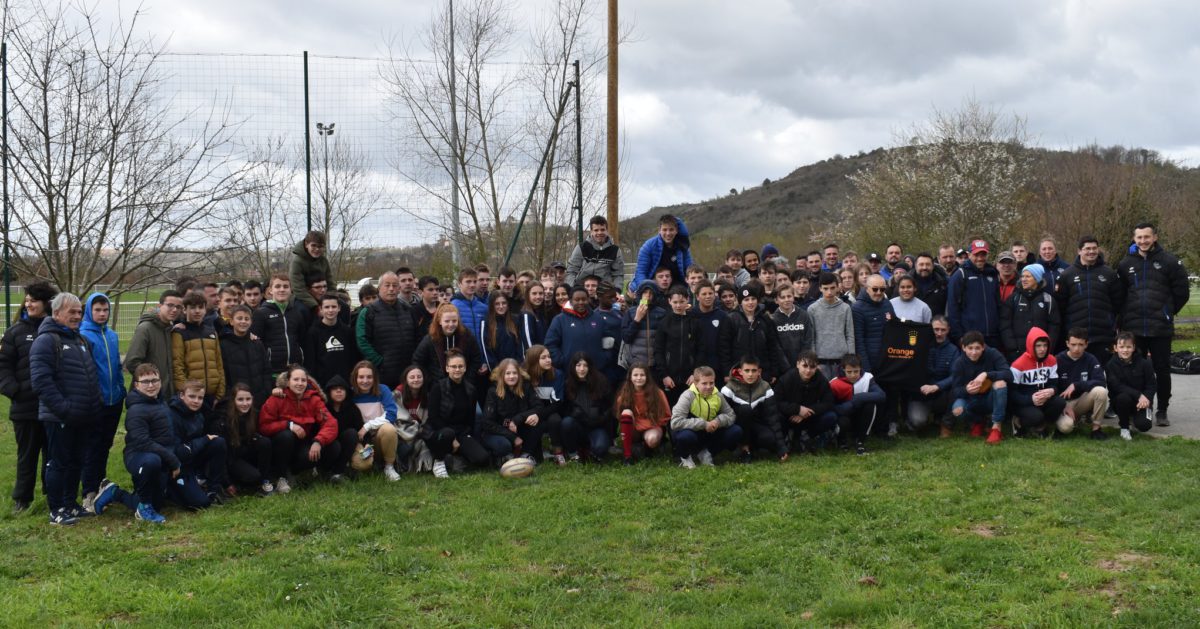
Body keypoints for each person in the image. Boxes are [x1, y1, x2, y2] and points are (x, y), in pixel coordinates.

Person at [89, 364, 204, 524]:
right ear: (136, 385)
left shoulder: (161, 403)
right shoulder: (136, 410)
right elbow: (143, 442)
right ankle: (136, 504)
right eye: (145, 381)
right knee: (152, 461)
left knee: (161, 504)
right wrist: (172, 460)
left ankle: (116, 492)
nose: (151, 385)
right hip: (140, 457)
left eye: (154, 380)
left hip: (162, 458)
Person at [29, 292, 103, 524]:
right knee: (58, 462)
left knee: (76, 462)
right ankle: (56, 509)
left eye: (79, 312)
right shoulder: (46, 341)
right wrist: (65, 409)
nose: (77, 316)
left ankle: (70, 505)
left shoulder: (79, 340)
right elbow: (41, 382)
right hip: (61, 416)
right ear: (57, 312)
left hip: (84, 416)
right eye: (72, 312)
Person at [1116, 222, 1190, 426]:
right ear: (1134, 238)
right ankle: (1138, 406)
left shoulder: (1170, 262)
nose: (1143, 241)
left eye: (1146, 237)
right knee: (1134, 369)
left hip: (1160, 327)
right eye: (1139, 237)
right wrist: (1124, 319)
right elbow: (1119, 296)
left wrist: (1167, 312)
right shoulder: (1125, 264)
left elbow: (1182, 291)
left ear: (1155, 237)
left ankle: (1162, 409)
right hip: (1134, 328)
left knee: (1162, 369)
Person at [1, 281, 58, 514]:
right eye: (26, 300)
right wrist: (15, 391)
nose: (28, 304)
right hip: (25, 408)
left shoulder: (56, 329)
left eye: (33, 300)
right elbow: (3, 367)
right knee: (27, 455)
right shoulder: (14, 332)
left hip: (52, 407)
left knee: (52, 454)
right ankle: (22, 499)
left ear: (46, 303)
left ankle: (51, 492)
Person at [259, 365, 350, 492]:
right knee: (286, 436)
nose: (300, 383)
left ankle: (302, 472)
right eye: (296, 380)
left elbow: (330, 422)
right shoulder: (276, 399)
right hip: (282, 445)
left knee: (334, 446)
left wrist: (318, 441)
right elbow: (264, 426)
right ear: (288, 381)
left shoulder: (314, 399)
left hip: (304, 444)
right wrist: (288, 425)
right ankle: (281, 477)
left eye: (303, 380)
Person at [79, 293, 127, 513]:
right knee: (92, 446)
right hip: (95, 402)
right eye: (97, 310)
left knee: (105, 445)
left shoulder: (113, 335)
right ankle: (88, 492)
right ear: (89, 310)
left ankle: (100, 484)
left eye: (105, 310)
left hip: (114, 400)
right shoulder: (82, 335)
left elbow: (116, 366)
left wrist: (120, 389)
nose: (102, 314)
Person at [1057, 236, 1123, 369]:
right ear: (1079, 251)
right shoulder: (1067, 275)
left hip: (1102, 335)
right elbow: (1061, 306)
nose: (1091, 252)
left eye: (1094, 248)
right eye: (1087, 248)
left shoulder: (1109, 273)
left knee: (1102, 376)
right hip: (1077, 338)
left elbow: (1118, 302)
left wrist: (1110, 323)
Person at [425, 349, 490, 477]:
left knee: (483, 459)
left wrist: (468, 438)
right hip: (438, 432)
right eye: (453, 366)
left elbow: (470, 419)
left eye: (460, 366)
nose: (457, 369)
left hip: (461, 432)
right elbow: (433, 417)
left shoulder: (471, 389)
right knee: (447, 434)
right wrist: (453, 438)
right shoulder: (438, 387)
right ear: (447, 368)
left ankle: (454, 459)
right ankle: (438, 462)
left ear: (465, 368)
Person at [545, 286, 618, 396]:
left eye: (584, 299)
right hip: (570, 376)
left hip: (595, 373)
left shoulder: (598, 318)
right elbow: (550, 344)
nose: (581, 302)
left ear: (588, 299)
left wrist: (604, 358)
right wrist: (562, 361)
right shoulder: (559, 320)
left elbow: (609, 341)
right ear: (570, 301)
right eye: (577, 300)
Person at [168, 379, 232, 502]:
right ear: (181, 395)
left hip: (192, 458)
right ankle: (169, 488)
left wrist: (206, 440)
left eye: (200, 398)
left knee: (219, 442)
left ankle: (213, 488)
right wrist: (205, 439)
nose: (196, 401)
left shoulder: (198, 414)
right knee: (199, 502)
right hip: (177, 465)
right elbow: (178, 452)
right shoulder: (171, 416)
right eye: (192, 396)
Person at [670, 365, 742, 468]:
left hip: (710, 432)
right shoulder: (687, 396)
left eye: (711, 383)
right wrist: (703, 424)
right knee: (685, 437)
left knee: (736, 431)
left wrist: (718, 421)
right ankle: (685, 457)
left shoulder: (718, 395)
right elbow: (675, 422)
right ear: (695, 383)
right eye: (704, 383)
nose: (708, 387)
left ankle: (707, 454)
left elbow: (731, 415)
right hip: (693, 433)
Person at [356, 271, 418, 389]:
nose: (391, 289)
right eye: (387, 285)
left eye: (394, 285)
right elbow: (362, 341)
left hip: (407, 372)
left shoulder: (408, 309)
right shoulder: (369, 312)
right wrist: (379, 362)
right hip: (382, 374)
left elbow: (416, 337)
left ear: (399, 288)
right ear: (379, 288)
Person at [948, 331, 1012, 444]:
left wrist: (986, 374)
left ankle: (996, 427)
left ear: (983, 347)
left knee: (1000, 383)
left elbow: (1009, 374)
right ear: (963, 348)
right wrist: (966, 390)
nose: (974, 352)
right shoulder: (959, 363)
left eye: (977, 348)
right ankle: (977, 422)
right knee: (957, 410)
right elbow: (955, 390)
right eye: (970, 348)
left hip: (990, 398)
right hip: (970, 399)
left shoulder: (992, 354)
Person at [721, 356, 786, 462]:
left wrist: (781, 447)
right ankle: (743, 448)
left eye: (753, 371)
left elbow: (773, 417)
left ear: (759, 371)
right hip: (736, 426)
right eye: (747, 370)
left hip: (755, 424)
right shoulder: (728, 388)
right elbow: (722, 415)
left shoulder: (765, 387)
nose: (750, 374)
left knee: (769, 438)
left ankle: (753, 448)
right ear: (740, 371)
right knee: (745, 410)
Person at [481, 358, 546, 464]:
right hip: (498, 431)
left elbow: (539, 406)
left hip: (519, 427)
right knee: (504, 445)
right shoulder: (493, 391)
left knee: (537, 421)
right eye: (508, 373)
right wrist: (512, 437)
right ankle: (502, 457)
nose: (511, 376)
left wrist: (518, 419)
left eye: (514, 373)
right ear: (502, 375)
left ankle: (526, 455)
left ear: (519, 374)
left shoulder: (526, 386)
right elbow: (487, 422)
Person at [349, 361, 406, 481]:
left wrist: (367, 426)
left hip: (378, 436)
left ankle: (389, 467)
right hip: (360, 441)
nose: (365, 381)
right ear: (355, 378)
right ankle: (370, 464)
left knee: (389, 428)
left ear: (374, 378)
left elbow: (391, 414)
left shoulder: (382, 389)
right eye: (361, 377)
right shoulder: (349, 394)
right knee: (363, 464)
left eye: (369, 377)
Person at [720, 282, 787, 383]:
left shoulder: (765, 320)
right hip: (738, 372)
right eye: (746, 300)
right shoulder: (731, 319)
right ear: (740, 302)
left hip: (762, 372)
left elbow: (772, 347)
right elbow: (724, 348)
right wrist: (726, 372)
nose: (750, 302)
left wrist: (774, 372)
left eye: (753, 299)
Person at [1006, 327, 1067, 438]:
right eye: (1038, 346)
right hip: (1024, 401)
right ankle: (1019, 423)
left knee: (1060, 403)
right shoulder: (1018, 364)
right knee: (1035, 416)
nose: (1042, 349)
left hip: (1044, 399)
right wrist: (1030, 399)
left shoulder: (1052, 360)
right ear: (1031, 345)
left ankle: (1041, 426)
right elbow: (1011, 393)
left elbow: (1055, 384)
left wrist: (1052, 391)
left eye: (1045, 345)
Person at [215, 383, 274, 495]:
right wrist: (227, 482)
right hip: (230, 459)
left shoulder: (253, 414)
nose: (245, 403)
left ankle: (264, 481)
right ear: (233, 400)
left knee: (264, 442)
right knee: (253, 476)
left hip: (244, 452)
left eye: (248, 399)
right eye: (240, 400)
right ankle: (238, 482)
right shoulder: (222, 420)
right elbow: (221, 454)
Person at [125, 290, 183, 397]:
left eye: (178, 307)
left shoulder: (169, 330)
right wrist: (151, 384)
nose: (175, 310)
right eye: (170, 305)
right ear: (159, 306)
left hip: (166, 395)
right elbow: (132, 362)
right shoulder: (145, 328)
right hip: (148, 396)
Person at [171, 292, 227, 404]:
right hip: (191, 397)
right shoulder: (180, 333)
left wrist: (220, 393)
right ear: (185, 310)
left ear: (205, 309)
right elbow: (177, 367)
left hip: (212, 395)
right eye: (192, 308)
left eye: (201, 307)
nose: (197, 311)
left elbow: (219, 364)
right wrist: (185, 393)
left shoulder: (211, 332)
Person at [910, 315, 961, 435]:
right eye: (936, 329)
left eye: (943, 330)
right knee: (917, 421)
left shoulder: (953, 350)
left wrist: (937, 386)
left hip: (942, 393)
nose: (939, 333)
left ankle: (945, 423)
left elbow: (955, 376)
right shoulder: (921, 346)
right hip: (921, 393)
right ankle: (924, 418)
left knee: (957, 387)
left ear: (948, 330)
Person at [1056, 327, 1110, 439]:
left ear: (1086, 344)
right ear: (1067, 343)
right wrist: (1062, 405)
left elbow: (1101, 381)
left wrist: (1077, 385)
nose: (1076, 348)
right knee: (1066, 428)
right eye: (1073, 344)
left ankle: (1096, 429)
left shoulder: (1091, 359)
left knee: (1101, 391)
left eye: (1080, 344)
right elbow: (1051, 387)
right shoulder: (1057, 360)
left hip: (1082, 401)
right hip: (1062, 404)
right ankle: (1071, 421)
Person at [559, 353, 614, 463]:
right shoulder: (567, 384)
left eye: (585, 365)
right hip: (577, 427)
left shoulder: (601, 382)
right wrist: (575, 413)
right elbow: (563, 409)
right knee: (567, 423)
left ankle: (589, 451)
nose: (582, 369)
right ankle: (573, 454)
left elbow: (611, 406)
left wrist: (600, 419)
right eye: (578, 365)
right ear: (573, 367)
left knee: (600, 449)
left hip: (597, 427)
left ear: (590, 367)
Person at [1000, 263, 1061, 361]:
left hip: (1041, 353)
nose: (1023, 279)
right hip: (1017, 354)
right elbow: (1005, 324)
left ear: (1037, 279)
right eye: (1022, 276)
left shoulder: (1048, 300)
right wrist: (1012, 348)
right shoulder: (1014, 298)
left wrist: (1047, 348)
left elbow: (1054, 326)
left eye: (1028, 276)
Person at [251, 275, 310, 375]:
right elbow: (256, 344)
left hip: (294, 370)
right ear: (270, 290)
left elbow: (302, 340)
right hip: (271, 371)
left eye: (286, 286)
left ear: (291, 290)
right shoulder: (260, 313)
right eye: (277, 286)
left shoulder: (297, 313)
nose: (282, 289)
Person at [947, 239, 1001, 347]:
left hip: (992, 336)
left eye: (983, 254)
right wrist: (959, 337)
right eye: (976, 255)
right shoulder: (960, 275)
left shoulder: (993, 274)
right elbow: (952, 308)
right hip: (969, 338)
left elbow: (997, 304)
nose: (980, 258)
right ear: (969, 255)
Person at [613, 363, 670, 465]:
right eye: (635, 375)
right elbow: (619, 416)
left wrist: (645, 425)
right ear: (630, 377)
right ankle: (627, 456)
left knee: (652, 439)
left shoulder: (657, 393)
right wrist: (636, 424)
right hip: (634, 428)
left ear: (647, 377)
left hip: (652, 426)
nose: (639, 378)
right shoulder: (625, 393)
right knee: (626, 413)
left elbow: (665, 415)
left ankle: (647, 449)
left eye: (642, 375)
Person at [654, 285, 701, 406]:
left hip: (690, 378)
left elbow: (700, 350)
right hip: (670, 378)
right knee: (671, 410)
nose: (678, 305)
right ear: (669, 301)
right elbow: (658, 350)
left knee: (690, 409)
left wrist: (695, 373)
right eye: (675, 302)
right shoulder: (664, 323)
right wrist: (664, 375)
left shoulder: (694, 322)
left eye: (682, 301)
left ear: (687, 300)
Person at [413, 304, 482, 387]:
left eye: (454, 321)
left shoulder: (467, 336)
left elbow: (476, 357)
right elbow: (417, 361)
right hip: (438, 386)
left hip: (463, 384)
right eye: (447, 321)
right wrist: (431, 381)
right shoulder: (430, 339)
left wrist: (468, 379)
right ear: (439, 321)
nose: (451, 324)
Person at [829, 354, 885, 455]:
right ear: (843, 370)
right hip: (844, 416)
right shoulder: (834, 383)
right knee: (841, 420)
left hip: (860, 416)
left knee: (871, 405)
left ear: (860, 369)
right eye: (849, 372)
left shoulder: (867, 378)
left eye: (856, 371)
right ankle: (842, 440)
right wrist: (848, 405)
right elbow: (830, 406)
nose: (853, 375)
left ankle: (860, 441)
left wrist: (858, 398)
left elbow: (881, 395)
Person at [1106, 332, 1156, 441]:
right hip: (1122, 401)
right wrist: (1139, 395)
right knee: (1123, 397)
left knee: (1144, 426)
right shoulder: (1110, 365)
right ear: (1115, 348)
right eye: (1122, 347)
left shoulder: (1145, 363)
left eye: (1128, 347)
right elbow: (1116, 386)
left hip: (1142, 402)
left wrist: (1146, 399)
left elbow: (1151, 385)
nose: (1125, 350)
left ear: (1133, 347)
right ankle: (1124, 427)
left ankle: (1134, 418)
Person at [305, 294, 361, 389]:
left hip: (344, 383)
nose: (330, 310)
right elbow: (311, 362)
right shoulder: (313, 332)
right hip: (323, 383)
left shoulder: (347, 331)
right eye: (327, 307)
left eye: (333, 307)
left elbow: (353, 358)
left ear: (339, 308)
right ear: (321, 309)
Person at [220, 305, 272, 406]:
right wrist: (229, 395)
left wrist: (266, 391)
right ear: (231, 321)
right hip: (236, 399)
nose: (243, 321)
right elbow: (223, 373)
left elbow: (266, 370)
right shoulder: (224, 345)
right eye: (239, 318)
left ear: (251, 322)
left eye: (246, 319)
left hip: (258, 398)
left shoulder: (257, 343)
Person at [809, 272, 855, 379]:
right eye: (825, 288)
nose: (829, 292)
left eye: (832, 288)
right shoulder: (812, 309)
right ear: (820, 288)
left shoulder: (845, 308)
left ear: (838, 287)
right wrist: (813, 360)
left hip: (841, 359)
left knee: (841, 391)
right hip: (820, 359)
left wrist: (851, 359)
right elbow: (811, 336)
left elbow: (850, 334)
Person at [632, 214, 692, 289]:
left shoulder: (683, 246)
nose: (668, 233)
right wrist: (645, 289)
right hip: (652, 284)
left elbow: (689, 269)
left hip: (676, 286)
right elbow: (641, 272)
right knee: (638, 296)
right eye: (664, 230)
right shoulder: (648, 246)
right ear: (659, 231)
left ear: (676, 231)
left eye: (671, 229)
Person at [565, 215, 625, 288]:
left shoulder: (615, 250)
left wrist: (617, 290)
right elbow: (571, 271)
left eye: (602, 230)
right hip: (582, 290)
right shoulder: (581, 248)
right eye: (596, 230)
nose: (599, 233)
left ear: (607, 231)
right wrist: (572, 289)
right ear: (591, 231)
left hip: (604, 291)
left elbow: (618, 275)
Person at [852, 275, 895, 373]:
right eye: (875, 289)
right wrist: (866, 369)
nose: (879, 293)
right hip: (869, 362)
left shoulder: (887, 304)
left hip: (888, 360)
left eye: (882, 289)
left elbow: (894, 329)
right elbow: (858, 341)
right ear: (867, 289)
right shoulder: (857, 308)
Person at [771, 284, 815, 368]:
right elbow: (776, 346)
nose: (787, 300)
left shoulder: (803, 315)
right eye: (782, 297)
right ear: (776, 300)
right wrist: (784, 365)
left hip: (803, 364)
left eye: (789, 296)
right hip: (782, 367)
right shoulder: (773, 319)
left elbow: (808, 340)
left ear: (793, 297)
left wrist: (802, 362)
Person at [479, 292, 526, 371]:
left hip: (515, 369)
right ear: (492, 306)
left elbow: (521, 345)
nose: (501, 306)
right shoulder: (486, 322)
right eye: (497, 304)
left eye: (504, 303)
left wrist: (518, 366)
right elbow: (486, 349)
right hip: (497, 371)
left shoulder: (515, 320)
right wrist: (496, 370)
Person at [289, 230, 334, 310]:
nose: (317, 249)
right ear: (306, 244)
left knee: (342, 306)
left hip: (322, 296)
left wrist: (332, 298)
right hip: (303, 298)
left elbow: (330, 283)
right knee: (302, 309)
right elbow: (298, 288)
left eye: (320, 246)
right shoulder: (297, 262)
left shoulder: (324, 261)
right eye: (314, 246)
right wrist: (315, 306)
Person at [450, 268, 489, 344]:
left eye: (475, 281)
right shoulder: (453, 306)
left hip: (480, 353)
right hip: (460, 352)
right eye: (468, 282)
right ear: (459, 284)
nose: (472, 285)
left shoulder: (483, 308)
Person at [518, 281, 550, 348]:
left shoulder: (542, 313)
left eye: (541, 293)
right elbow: (528, 343)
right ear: (528, 295)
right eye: (534, 294)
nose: (538, 296)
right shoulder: (526, 315)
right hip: (535, 356)